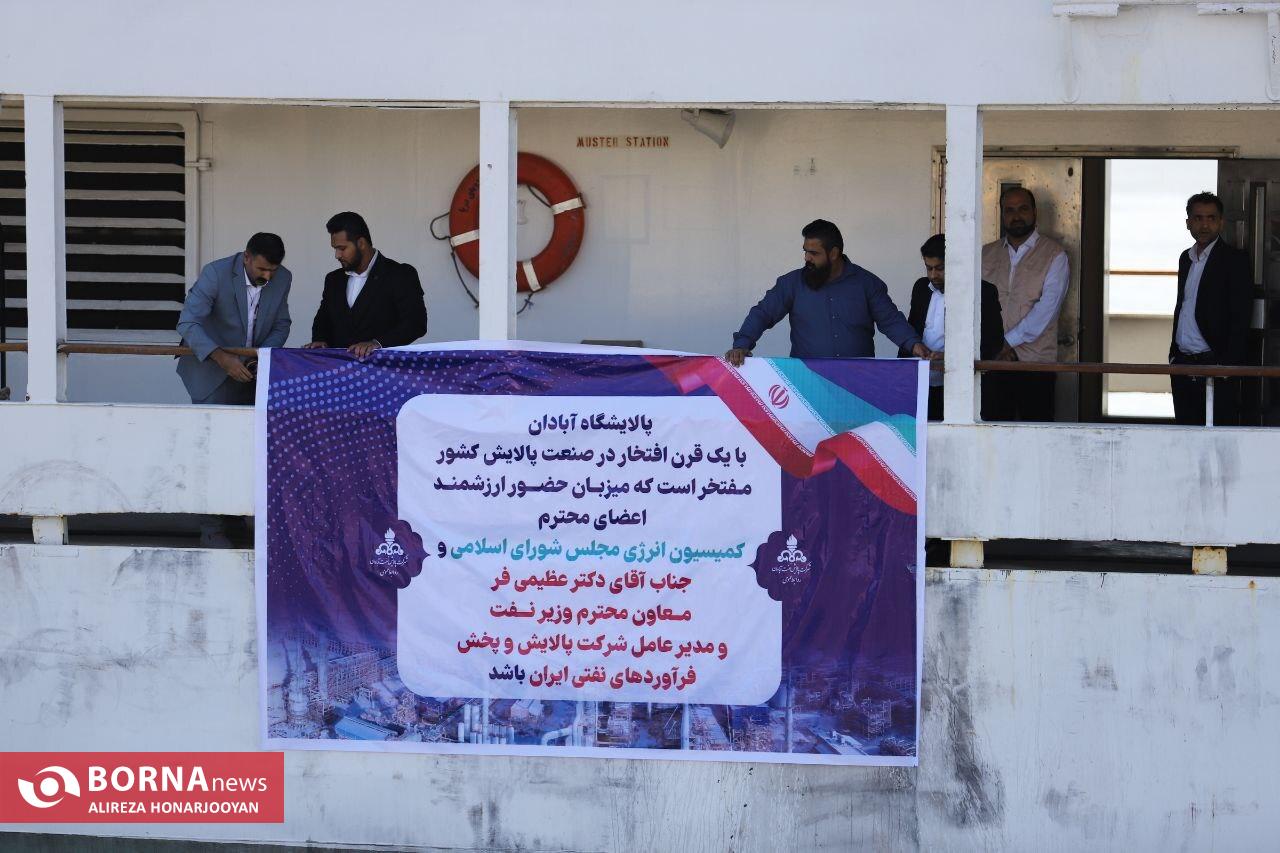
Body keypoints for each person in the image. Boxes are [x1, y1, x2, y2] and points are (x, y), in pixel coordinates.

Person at [725, 219, 930, 365]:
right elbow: (763, 313)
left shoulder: (867, 284)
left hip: (858, 383)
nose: (807, 258)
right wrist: (742, 344)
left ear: (833, 253)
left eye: (814, 253)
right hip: (807, 383)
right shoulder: (791, 283)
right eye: (805, 251)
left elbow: (891, 321)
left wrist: (915, 345)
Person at [981, 187, 1069, 422]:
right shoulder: (986, 254)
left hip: (1035, 365)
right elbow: (974, 304)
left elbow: (1047, 309)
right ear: (1002, 214)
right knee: (993, 432)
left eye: (1023, 209)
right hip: (992, 363)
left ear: (1034, 212)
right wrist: (992, 347)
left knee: (1036, 433)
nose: (1016, 216)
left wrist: (1006, 343)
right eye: (1009, 210)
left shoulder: (1054, 255)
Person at [898, 234, 1005, 421]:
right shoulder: (921, 288)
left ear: (956, 264)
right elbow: (913, 327)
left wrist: (952, 357)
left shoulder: (983, 292)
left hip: (961, 386)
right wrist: (914, 348)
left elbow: (993, 343)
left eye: (940, 268)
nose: (933, 275)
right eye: (929, 268)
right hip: (920, 384)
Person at [176, 232, 291, 404]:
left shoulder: (284, 277)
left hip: (255, 376)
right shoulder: (215, 273)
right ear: (246, 257)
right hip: (210, 375)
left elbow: (281, 325)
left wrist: (261, 356)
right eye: (262, 269)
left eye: (272, 270)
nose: (267, 277)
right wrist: (221, 358)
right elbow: (187, 323)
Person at [1168, 191, 1253, 426]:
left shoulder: (1234, 260)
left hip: (1215, 364)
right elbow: (1183, 305)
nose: (1204, 224)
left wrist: (1227, 365)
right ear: (1188, 223)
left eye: (1211, 218)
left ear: (1221, 222)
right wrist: (1173, 356)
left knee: (1217, 434)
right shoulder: (1186, 258)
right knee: (1185, 432)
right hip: (1182, 363)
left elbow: (1240, 316)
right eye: (1198, 218)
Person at [306, 211, 427, 357]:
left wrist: (377, 343)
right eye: (335, 249)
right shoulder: (333, 279)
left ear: (361, 243)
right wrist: (320, 340)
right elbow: (323, 320)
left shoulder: (400, 274)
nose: (337, 255)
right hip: (338, 367)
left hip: (382, 367)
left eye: (342, 248)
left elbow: (416, 323)